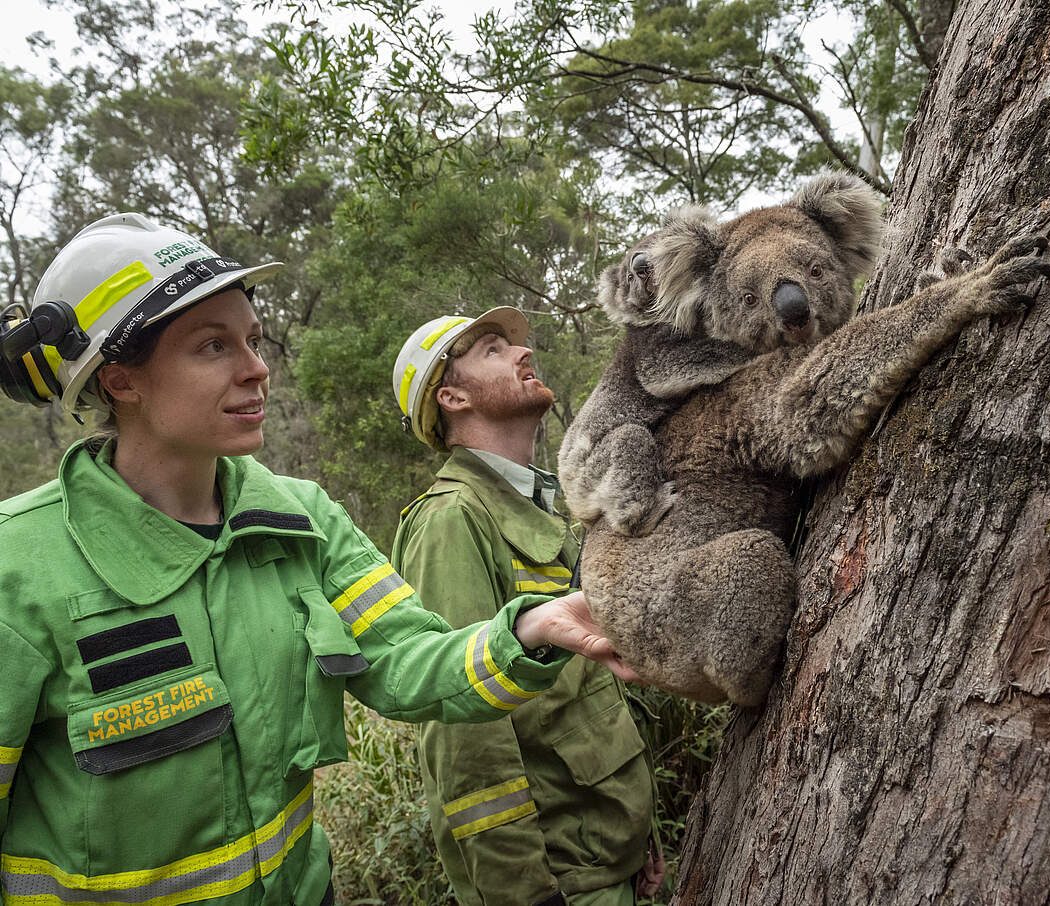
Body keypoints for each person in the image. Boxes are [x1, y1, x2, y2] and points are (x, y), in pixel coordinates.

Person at [0, 213, 633, 906]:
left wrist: (526, 632)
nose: (257, 368)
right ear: (122, 381)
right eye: (213, 346)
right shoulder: (21, 567)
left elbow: (406, 665)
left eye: (252, 338)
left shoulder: (302, 519)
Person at [391, 309, 665, 906]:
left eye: (514, 344)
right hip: (562, 883)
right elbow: (463, 734)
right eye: (492, 350)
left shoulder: (543, 505)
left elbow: (591, 688)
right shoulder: (451, 520)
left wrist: (642, 831)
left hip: (609, 852)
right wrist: (522, 895)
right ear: (453, 396)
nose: (522, 354)